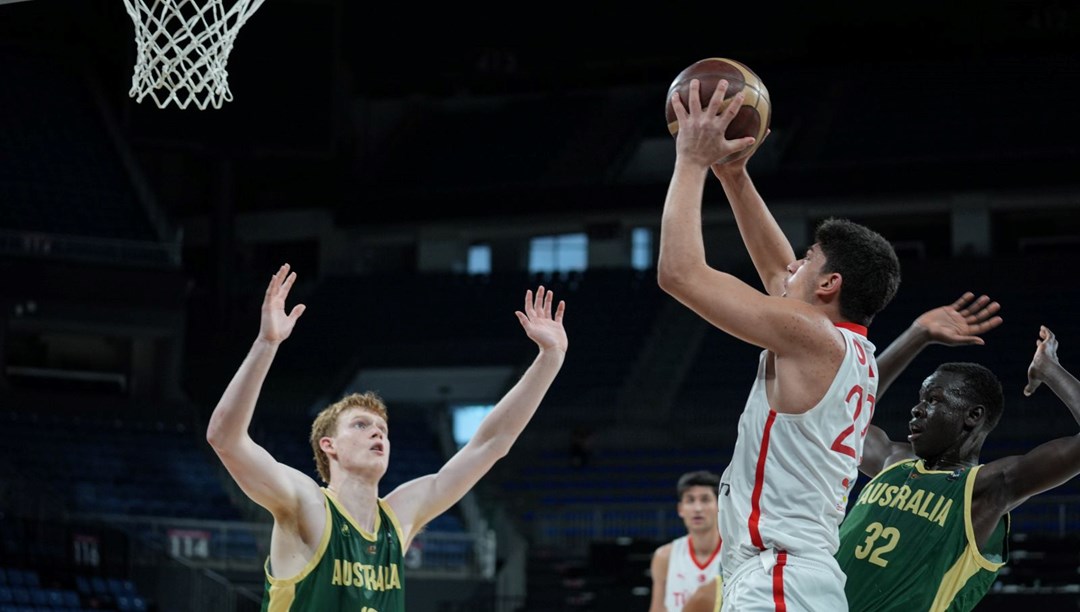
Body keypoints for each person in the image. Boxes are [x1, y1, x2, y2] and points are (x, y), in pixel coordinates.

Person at [659, 78, 902, 609]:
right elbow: (777, 275)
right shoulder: (845, 347)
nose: (792, 262)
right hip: (794, 575)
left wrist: (692, 161)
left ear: (829, 285)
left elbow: (679, 273)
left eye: (807, 259)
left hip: (779, 574)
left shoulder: (813, 337)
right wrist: (734, 175)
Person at [205, 263, 568, 610]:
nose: (377, 431)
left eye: (382, 429)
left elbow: (491, 444)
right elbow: (224, 437)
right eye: (360, 425)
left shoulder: (398, 519)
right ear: (328, 446)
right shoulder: (308, 506)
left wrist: (550, 358)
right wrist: (267, 343)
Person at [838, 307, 1080, 610]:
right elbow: (841, 412)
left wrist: (1050, 369)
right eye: (920, 398)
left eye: (934, 399)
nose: (917, 408)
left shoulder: (985, 489)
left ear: (973, 416)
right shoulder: (892, 460)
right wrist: (917, 334)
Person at [649, 470, 723, 612]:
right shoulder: (664, 557)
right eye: (690, 500)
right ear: (680, 509)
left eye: (705, 499)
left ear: (719, 506)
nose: (697, 508)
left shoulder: (735, 554)